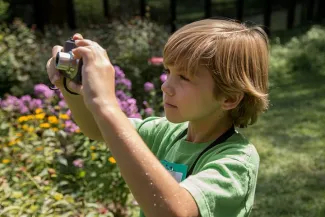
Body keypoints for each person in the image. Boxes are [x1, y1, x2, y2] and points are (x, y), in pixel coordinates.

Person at [46, 18, 269, 217]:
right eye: (168, 72)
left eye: (184, 77)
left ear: (229, 98)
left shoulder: (237, 161)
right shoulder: (166, 133)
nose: (166, 86)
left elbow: (174, 212)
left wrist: (106, 104)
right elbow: (97, 129)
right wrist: (70, 86)